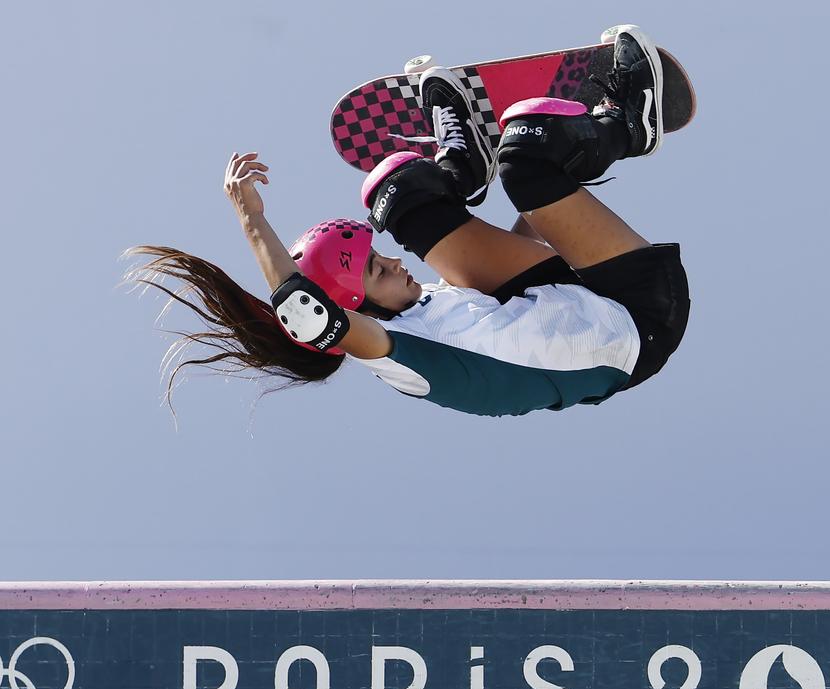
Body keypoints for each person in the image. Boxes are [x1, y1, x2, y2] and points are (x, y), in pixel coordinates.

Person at [128, 25, 690, 418]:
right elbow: (304, 313)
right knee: (530, 153)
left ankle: (462, 164)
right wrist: (252, 221)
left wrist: (555, 205)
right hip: (637, 323)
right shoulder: (390, 352)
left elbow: (530, 263)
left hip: (564, 294)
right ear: (353, 307)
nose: (395, 261)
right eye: (375, 269)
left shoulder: (436, 307)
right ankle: (628, 121)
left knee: (394, 194)